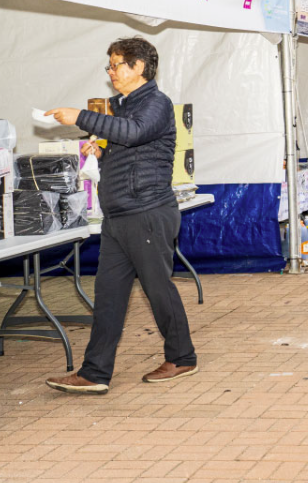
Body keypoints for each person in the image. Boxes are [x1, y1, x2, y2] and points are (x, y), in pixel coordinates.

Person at [45, 37, 197, 394]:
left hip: (146, 213)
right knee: (110, 296)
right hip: (119, 216)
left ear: (138, 67)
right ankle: (95, 372)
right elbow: (130, 148)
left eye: (116, 65)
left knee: (158, 290)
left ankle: (183, 356)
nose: (111, 72)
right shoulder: (126, 107)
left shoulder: (155, 104)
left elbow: (137, 133)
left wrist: (83, 118)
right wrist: (100, 149)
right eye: (110, 66)